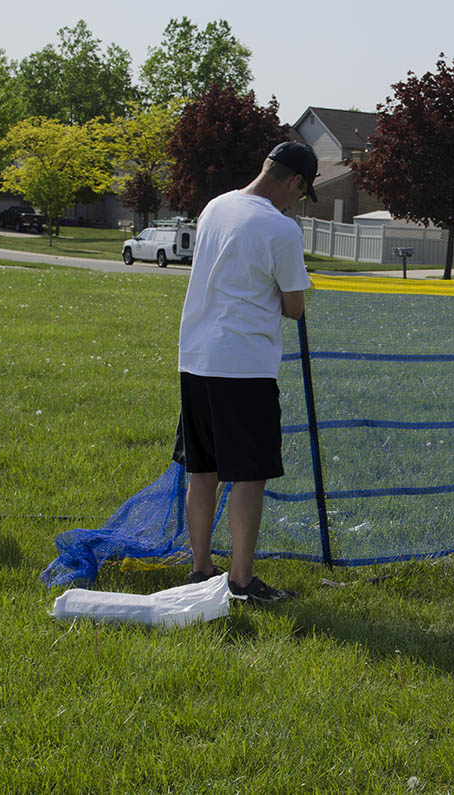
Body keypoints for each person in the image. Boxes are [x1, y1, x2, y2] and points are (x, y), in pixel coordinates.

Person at [172, 141, 318, 603]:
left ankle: (200, 571)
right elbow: (295, 307)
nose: (296, 200)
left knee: (203, 469)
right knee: (248, 474)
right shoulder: (282, 229)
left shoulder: (215, 207)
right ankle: (239, 580)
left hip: (195, 358)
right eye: (301, 191)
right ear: (294, 182)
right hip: (244, 366)